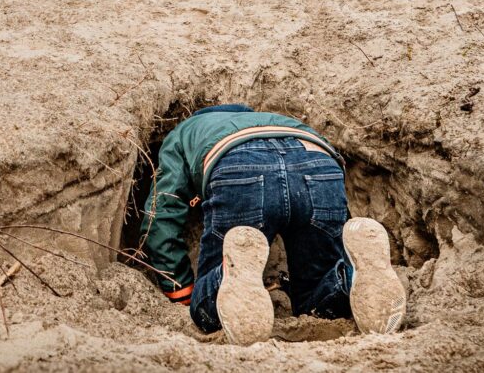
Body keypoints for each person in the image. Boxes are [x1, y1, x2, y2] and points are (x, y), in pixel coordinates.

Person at [139, 104, 406, 344]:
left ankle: (230, 273)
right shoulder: (277, 118)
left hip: (237, 163)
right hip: (318, 163)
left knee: (205, 309)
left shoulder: (186, 130)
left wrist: (181, 290)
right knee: (317, 294)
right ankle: (351, 277)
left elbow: (161, 212)